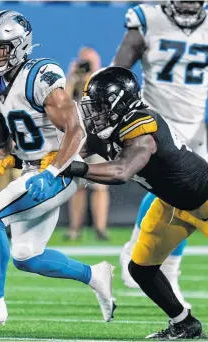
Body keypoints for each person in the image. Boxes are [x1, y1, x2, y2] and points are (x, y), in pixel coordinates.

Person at [0, 10, 115, 328]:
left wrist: (51, 172)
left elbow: (76, 130)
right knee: (26, 256)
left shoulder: (41, 75)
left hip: (60, 170)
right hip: (31, 171)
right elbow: (13, 147)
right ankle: (95, 275)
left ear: (21, 45)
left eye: (0, 46)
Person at [62, 66, 207, 339]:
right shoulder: (106, 131)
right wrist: (29, 162)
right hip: (173, 204)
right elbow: (67, 155)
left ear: (120, 103)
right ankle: (184, 323)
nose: (94, 114)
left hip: (205, 200)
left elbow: (121, 172)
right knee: (141, 268)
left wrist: (75, 169)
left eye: (101, 106)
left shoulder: (141, 125)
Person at [113, 1, 208, 308]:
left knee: (184, 196)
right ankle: (146, 253)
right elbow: (119, 70)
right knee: (172, 189)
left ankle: (159, 265)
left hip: (195, 125)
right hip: (154, 122)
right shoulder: (148, 18)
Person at [64, 47, 109, 241]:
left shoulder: (103, 80)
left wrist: (90, 76)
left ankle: (100, 228)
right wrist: (72, 77)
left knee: (100, 187)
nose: (86, 66)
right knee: (77, 186)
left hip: (98, 138)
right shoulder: (74, 83)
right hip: (77, 138)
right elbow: (63, 102)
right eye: (83, 62)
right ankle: (75, 229)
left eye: (89, 62)